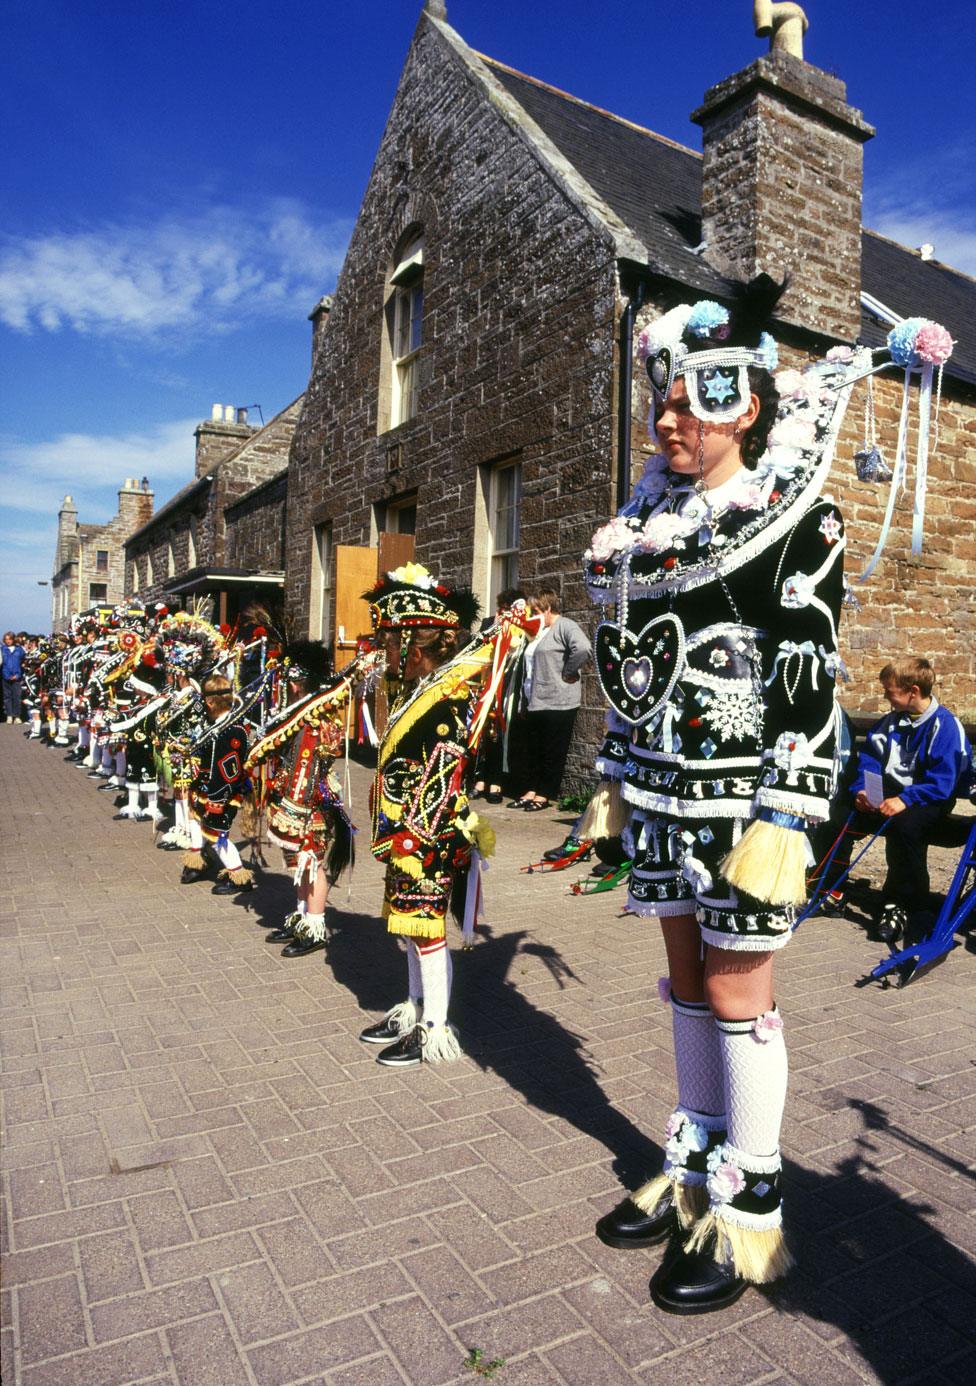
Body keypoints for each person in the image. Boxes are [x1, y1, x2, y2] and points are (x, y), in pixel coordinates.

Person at [584, 278, 852, 1313]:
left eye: (690, 403)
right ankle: (689, 1173)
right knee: (686, 981)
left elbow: (810, 668)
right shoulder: (643, 518)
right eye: (661, 404)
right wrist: (614, 778)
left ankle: (748, 1213)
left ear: (742, 401)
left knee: (740, 992)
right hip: (660, 794)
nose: (668, 421)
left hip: (746, 804)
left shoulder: (797, 514)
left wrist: (784, 810)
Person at [358, 563, 482, 1068]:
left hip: (427, 834)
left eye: (390, 642)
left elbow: (445, 772)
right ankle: (412, 1008)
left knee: (428, 930)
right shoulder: (417, 690)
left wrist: (414, 836)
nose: (384, 651)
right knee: (407, 926)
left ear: (418, 645)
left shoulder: (448, 696)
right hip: (404, 832)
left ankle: (434, 1027)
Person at [846, 657, 971, 943]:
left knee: (906, 824)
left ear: (912, 691)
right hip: (892, 800)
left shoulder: (945, 726)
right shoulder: (888, 723)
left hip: (929, 803)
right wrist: (863, 790)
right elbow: (870, 761)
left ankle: (909, 904)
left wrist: (906, 798)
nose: (885, 696)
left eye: (889, 691)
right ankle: (830, 886)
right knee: (842, 812)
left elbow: (942, 782)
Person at [246, 641, 355, 958]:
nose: (288, 682)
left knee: (312, 863)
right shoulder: (293, 711)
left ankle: (316, 925)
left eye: (293, 676)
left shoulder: (319, 716)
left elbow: (315, 761)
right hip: (288, 796)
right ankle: (301, 916)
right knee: (296, 862)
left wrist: (298, 802)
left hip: (310, 801)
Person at [507, 590, 590, 811]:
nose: (533, 615)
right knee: (533, 749)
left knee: (552, 750)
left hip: (558, 701)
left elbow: (582, 648)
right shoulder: (539, 632)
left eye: (536, 611)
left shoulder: (565, 626)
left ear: (548, 608)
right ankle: (532, 790)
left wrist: (568, 671)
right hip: (535, 700)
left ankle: (544, 793)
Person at [180, 673, 255, 894]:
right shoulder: (216, 724)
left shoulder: (232, 730)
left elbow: (228, 772)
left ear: (210, 702)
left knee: (216, 833)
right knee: (195, 820)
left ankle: (239, 876)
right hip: (205, 786)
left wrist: (218, 799)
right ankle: (197, 861)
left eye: (204, 700)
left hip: (222, 793)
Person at [472, 587, 526, 804]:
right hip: (486, 685)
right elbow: (476, 649)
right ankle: (480, 780)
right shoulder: (488, 623)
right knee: (482, 734)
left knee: (499, 735)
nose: (501, 612)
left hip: (507, 687)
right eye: (500, 608)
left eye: (506, 609)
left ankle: (496, 782)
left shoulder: (520, 629)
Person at [2, 631, 26, 722]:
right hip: (5, 676)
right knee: (7, 696)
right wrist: (6, 675)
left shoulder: (19, 649)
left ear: (13, 639)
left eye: (10, 639)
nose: (8, 641)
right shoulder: (2, 649)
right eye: (6, 639)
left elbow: (23, 661)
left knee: (17, 696)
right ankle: (9, 715)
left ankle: (17, 716)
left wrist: (18, 674)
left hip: (17, 675)